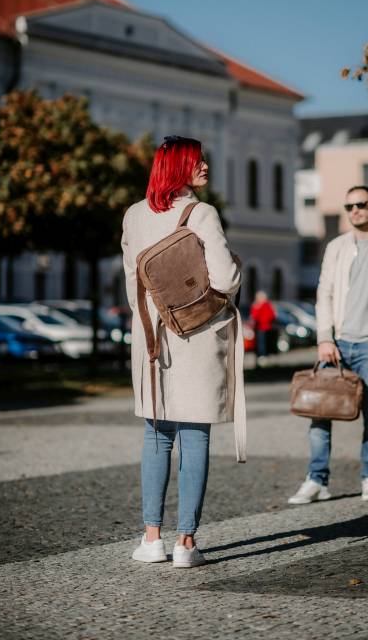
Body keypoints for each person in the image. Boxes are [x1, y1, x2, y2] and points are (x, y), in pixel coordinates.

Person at [122, 136, 245, 567]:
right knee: (195, 437)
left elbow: (131, 285)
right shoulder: (202, 213)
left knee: (157, 435)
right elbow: (226, 278)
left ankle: (151, 538)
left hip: (153, 342)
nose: (206, 166)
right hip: (196, 338)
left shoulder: (134, 215)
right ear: (179, 168)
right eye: (198, 160)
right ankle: (186, 544)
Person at [288, 185, 368, 505]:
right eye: (348, 206)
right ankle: (317, 480)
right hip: (337, 345)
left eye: (360, 204)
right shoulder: (336, 247)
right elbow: (324, 294)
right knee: (320, 412)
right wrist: (325, 338)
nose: (354, 210)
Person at [250, 290, 277, 361]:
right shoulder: (256, 305)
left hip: (266, 326)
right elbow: (254, 316)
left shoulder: (266, 305)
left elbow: (272, 315)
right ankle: (261, 355)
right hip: (259, 327)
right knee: (260, 342)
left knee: (264, 342)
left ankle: (264, 354)